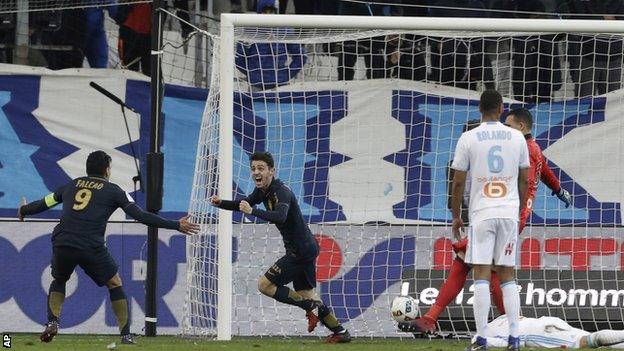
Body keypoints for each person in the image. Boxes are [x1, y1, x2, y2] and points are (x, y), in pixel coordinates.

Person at [404, 109, 572, 335]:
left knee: (480, 266)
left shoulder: (524, 148)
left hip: (508, 214)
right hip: (508, 214)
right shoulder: (532, 149)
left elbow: (527, 180)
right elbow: (545, 170)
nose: (505, 131)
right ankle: (438, 318)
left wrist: (515, 209)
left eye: (510, 127)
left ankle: (504, 324)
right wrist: (559, 189)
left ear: (521, 127)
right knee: (475, 264)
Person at [17, 151, 199, 344]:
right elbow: (141, 216)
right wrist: (175, 225)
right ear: (106, 170)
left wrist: (24, 210)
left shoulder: (72, 185)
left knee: (59, 279)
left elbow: (45, 203)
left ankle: (53, 322)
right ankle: (126, 335)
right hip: (90, 244)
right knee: (114, 282)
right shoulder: (115, 191)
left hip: (63, 241)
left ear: (88, 169)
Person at [210, 152, 351, 343]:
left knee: (265, 285)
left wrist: (252, 211)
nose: (256, 172)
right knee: (306, 294)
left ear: (271, 171)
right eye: (253, 169)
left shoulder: (281, 191)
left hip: (300, 251)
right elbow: (243, 204)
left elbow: (280, 216)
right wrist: (221, 203)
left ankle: (310, 308)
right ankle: (340, 332)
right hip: (305, 248)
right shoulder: (262, 191)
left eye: (261, 168)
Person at [451, 90, 530, 351]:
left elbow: (459, 180)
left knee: (481, 273)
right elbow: (525, 178)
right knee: (507, 274)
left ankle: (482, 338)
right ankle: (515, 338)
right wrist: (517, 208)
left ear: (479, 110)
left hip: (482, 213)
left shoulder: (468, 138)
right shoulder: (517, 137)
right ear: (501, 108)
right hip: (508, 212)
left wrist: (455, 215)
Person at [235, 0, 307, 89]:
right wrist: (252, 73)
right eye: (265, 12)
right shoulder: (249, 31)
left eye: (271, 11)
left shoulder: (284, 30)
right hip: (256, 84)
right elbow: (239, 59)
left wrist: (287, 74)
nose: (268, 15)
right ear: (259, 12)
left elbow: (301, 56)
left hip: (280, 84)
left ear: (276, 12)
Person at [473, 315, 624, 349]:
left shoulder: (488, 331)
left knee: (591, 340)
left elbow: (503, 342)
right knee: (600, 343)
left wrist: (479, 344)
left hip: (542, 332)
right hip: (547, 321)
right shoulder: (502, 317)